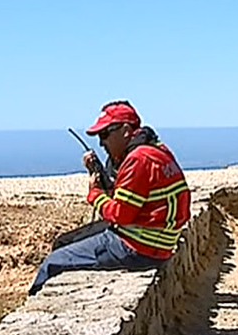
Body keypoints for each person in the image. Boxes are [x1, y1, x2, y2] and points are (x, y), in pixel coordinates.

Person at [28, 100, 192, 295]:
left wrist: (95, 194)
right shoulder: (159, 151)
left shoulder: (137, 161)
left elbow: (121, 214)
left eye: (105, 134)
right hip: (159, 243)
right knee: (65, 242)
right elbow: (135, 196)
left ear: (124, 129)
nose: (101, 142)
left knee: (53, 262)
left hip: (136, 247)